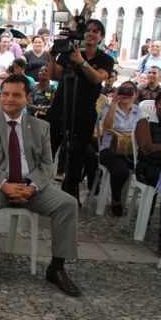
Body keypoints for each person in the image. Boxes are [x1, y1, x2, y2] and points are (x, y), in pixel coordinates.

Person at [0, 74, 81, 297]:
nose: (9, 99)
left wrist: (33, 186)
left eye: (16, 95)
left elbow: (47, 164)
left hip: (31, 186)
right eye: (5, 94)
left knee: (68, 204)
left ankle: (57, 267)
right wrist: (4, 184)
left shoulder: (40, 126)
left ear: (27, 98)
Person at [46, 19, 113, 201]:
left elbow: (98, 78)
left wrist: (82, 63)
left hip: (83, 113)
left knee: (76, 156)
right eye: (88, 30)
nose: (91, 33)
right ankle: (41, 189)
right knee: (48, 149)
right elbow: (54, 75)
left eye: (96, 31)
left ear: (101, 37)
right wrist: (52, 59)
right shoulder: (69, 52)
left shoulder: (106, 59)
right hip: (61, 108)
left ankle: (70, 194)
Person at [98, 81, 142, 216]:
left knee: (144, 168)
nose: (126, 94)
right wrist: (113, 103)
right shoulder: (109, 107)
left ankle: (147, 210)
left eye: (130, 91)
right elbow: (107, 127)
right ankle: (116, 198)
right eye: (123, 90)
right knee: (121, 170)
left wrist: (124, 134)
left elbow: (140, 131)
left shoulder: (137, 110)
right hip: (109, 149)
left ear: (136, 95)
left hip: (130, 150)